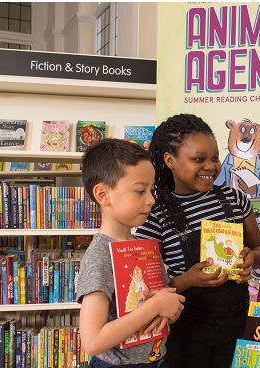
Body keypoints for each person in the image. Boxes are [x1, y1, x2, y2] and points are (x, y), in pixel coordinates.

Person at [135, 113, 260, 368]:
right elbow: (145, 288)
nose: (210, 166)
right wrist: (188, 280)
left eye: (215, 158)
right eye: (199, 159)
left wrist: (251, 258)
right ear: (170, 160)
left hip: (236, 327)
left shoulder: (234, 200)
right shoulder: (155, 212)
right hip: (187, 332)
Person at [76, 138, 185, 368]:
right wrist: (154, 307)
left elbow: (158, 305)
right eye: (139, 191)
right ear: (103, 195)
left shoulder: (145, 247)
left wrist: (168, 310)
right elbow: (93, 341)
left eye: (151, 189)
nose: (151, 199)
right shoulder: (100, 256)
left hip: (156, 358)